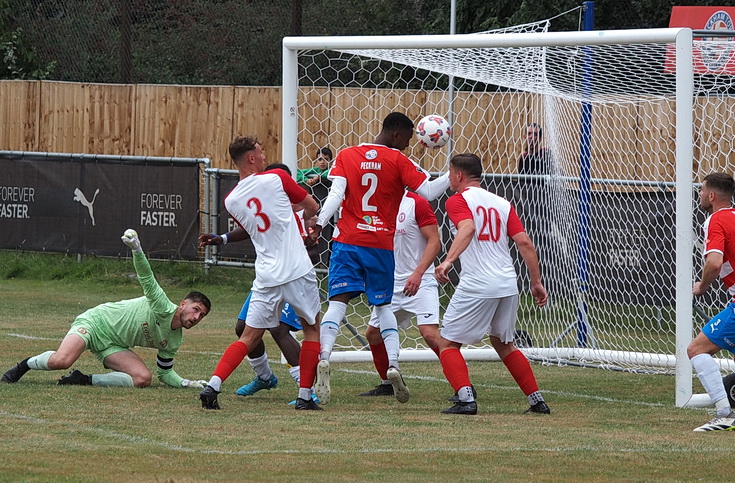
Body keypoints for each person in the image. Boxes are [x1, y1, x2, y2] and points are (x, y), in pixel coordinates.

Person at [307, 111, 451, 405]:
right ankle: (394, 365)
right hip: (380, 245)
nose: (410, 144)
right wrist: (455, 172)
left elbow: (335, 195)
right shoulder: (399, 160)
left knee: (337, 303)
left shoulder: (347, 154)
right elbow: (429, 191)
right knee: (383, 305)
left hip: (346, 241)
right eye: (409, 138)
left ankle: (324, 357)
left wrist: (320, 222)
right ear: (397, 134)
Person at [198, 136, 323, 411]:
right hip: (296, 269)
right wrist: (312, 221)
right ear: (251, 158)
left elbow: (255, 227)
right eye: (261, 152)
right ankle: (305, 396)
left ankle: (213, 385)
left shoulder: (231, 200)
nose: (265, 156)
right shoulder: (278, 177)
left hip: (266, 275)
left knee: (248, 336)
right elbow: (312, 206)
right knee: (312, 329)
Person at [1, 229, 211, 389]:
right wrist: (137, 249)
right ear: (183, 304)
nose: (196, 316)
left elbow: (165, 374)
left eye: (201, 315)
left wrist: (186, 383)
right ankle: (24, 366)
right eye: (195, 309)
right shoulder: (162, 305)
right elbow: (147, 277)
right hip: (95, 323)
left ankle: (83, 380)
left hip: (113, 345)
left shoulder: (175, 340)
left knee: (142, 379)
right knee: (62, 361)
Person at [434, 153, 549, 415]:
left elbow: (468, 228)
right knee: (504, 344)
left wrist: (448, 261)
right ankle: (537, 401)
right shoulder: (502, 203)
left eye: (450, 172)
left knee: (448, 343)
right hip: (508, 283)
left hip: (478, 283)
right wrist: (536, 282)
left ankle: (466, 400)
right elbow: (525, 243)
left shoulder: (458, 200)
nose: (449, 177)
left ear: (459, 175)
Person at [358, 190, 442, 397]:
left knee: (429, 334)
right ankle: (387, 383)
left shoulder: (416, 203)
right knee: (373, 333)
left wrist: (418, 273)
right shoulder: (375, 203)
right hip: (391, 283)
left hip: (421, 280)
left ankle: (464, 387)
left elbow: (434, 241)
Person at [687, 172, 735, 432]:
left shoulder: (715, 220)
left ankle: (724, 414)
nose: (700, 194)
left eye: (702, 189)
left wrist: (702, 286)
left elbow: (714, 263)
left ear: (712, 195)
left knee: (696, 350)